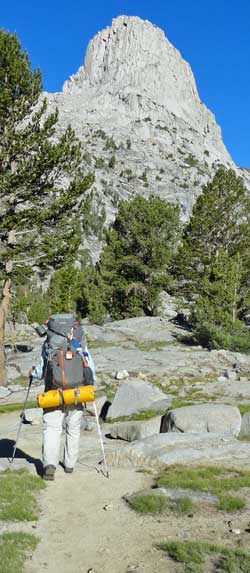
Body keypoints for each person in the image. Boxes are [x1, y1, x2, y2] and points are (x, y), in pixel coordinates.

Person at [30, 314, 96, 481]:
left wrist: (33, 373)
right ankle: (69, 464)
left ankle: (50, 465)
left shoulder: (50, 339)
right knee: (73, 427)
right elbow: (89, 364)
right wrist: (90, 381)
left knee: (52, 427)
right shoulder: (78, 337)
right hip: (77, 390)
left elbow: (42, 367)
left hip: (54, 390)